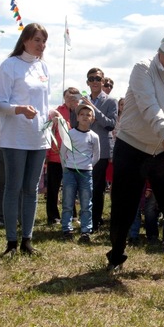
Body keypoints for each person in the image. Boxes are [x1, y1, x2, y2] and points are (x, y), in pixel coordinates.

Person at [106, 32, 164, 279]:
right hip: (132, 147)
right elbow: (149, 105)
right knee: (124, 208)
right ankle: (116, 256)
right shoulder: (142, 69)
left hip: (161, 151)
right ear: (162, 52)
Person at [0, 23, 52, 256]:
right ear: (25, 40)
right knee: (13, 188)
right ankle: (11, 242)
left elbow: (44, 103)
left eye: (44, 41)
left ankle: (27, 240)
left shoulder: (44, 67)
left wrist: (52, 114)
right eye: (37, 39)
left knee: (31, 189)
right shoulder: (10, 65)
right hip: (15, 137)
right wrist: (18, 109)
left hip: (38, 137)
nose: (41, 45)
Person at [82, 67, 117, 232]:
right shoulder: (83, 101)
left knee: (97, 188)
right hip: (83, 149)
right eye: (91, 79)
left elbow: (110, 124)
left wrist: (93, 109)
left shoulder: (110, 101)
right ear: (87, 82)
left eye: (98, 79)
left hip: (100, 151)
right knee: (83, 187)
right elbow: (76, 123)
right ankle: (84, 220)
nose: (95, 82)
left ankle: (95, 222)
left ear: (103, 82)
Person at [60, 103, 101, 242]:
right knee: (68, 201)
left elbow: (96, 155)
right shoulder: (70, 134)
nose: (84, 117)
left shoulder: (94, 137)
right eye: (81, 114)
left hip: (86, 173)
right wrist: (66, 167)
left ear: (92, 119)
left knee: (86, 202)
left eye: (88, 115)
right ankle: (66, 228)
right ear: (77, 117)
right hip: (70, 171)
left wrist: (88, 165)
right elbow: (63, 152)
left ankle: (85, 231)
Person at [46, 87, 80, 225]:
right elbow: (48, 132)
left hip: (73, 157)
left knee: (70, 187)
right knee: (53, 188)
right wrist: (47, 153)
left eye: (74, 97)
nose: (71, 100)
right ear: (64, 98)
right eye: (68, 97)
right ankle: (53, 216)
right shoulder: (57, 111)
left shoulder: (81, 112)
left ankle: (72, 215)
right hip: (56, 156)